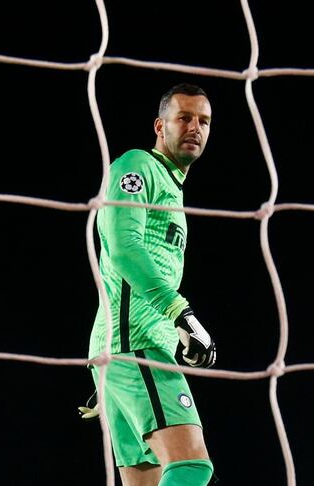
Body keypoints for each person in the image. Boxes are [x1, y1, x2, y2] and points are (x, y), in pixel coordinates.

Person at [83, 83, 217, 485]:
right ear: (161, 126)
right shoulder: (138, 165)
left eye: (204, 121)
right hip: (135, 346)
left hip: (124, 353)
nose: (195, 127)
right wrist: (182, 314)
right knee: (192, 466)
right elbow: (124, 248)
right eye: (185, 118)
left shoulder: (172, 189)